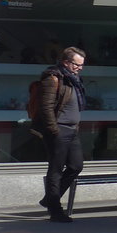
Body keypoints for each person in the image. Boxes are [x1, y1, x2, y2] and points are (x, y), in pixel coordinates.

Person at [31, 47, 87, 222]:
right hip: (59, 130)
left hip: (72, 129)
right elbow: (45, 106)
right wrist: (54, 130)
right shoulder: (53, 78)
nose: (80, 68)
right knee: (55, 170)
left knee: (76, 166)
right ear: (66, 62)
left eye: (82, 65)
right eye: (77, 64)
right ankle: (55, 210)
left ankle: (49, 199)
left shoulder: (74, 79)